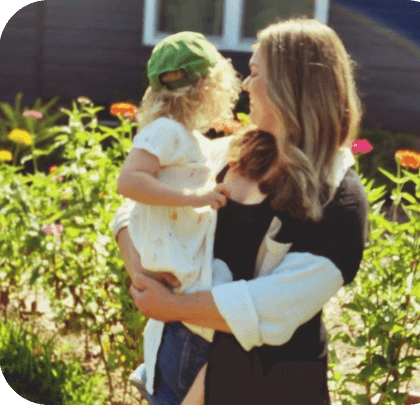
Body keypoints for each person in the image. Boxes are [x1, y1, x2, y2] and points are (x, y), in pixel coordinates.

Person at [114, 17, 369, 405]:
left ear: (291, 85)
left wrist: (173, 305)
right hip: (168, 366)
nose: (246, 85)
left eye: (254, 73)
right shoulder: (227, 154)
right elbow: (134, 207)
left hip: (258, 388)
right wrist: (143, 277)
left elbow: (276, 306)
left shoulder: (339, 201)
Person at [113, 31, 242, 403]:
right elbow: (129, 181)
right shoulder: (165, 131)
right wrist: (196, 197)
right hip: (180, 296)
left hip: (181, 287)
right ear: (208, 88)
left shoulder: (192, 139)